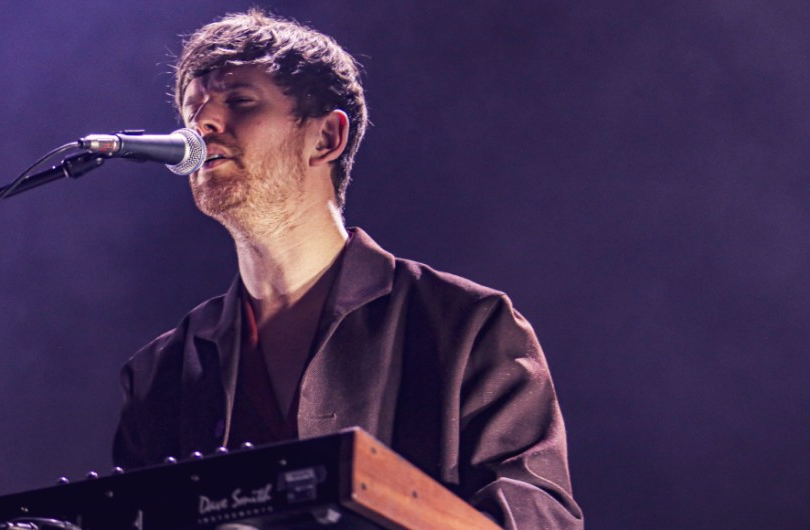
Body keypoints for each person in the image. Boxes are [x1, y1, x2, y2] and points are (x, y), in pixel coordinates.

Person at [113, 9, 583, 528]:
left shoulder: (470, 326)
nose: (201, 124)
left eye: (240, 101)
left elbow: (537, 520)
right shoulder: (163, 370)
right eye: (191, 110)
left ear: (326, 139)